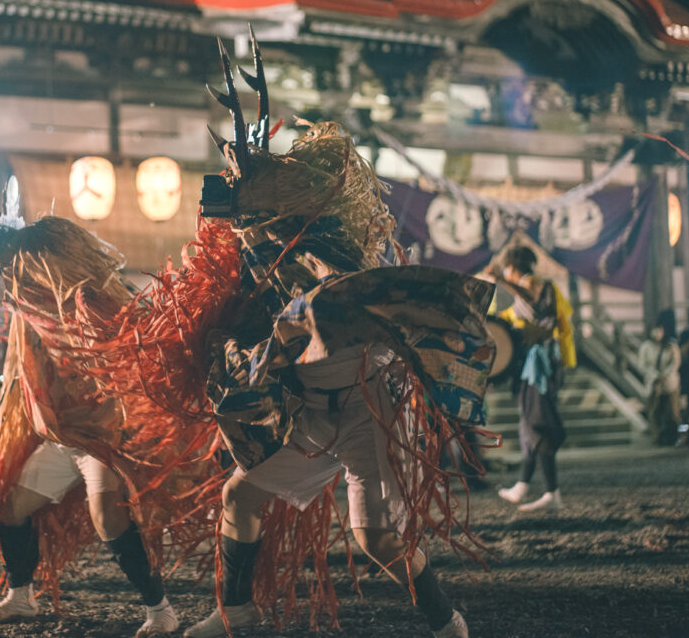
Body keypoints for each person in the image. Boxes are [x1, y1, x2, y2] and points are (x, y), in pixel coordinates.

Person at [180, 37, 493, 638]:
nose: (236, 221)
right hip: (307, 416)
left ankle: (446, 621)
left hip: (366, 407)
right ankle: (237, 615)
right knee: (239, 498)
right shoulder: (253, 265)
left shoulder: (335, 250)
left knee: (376, 539)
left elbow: (349, 302)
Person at [0, 216, 180, 637]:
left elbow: (51, 318)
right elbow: (21, 305)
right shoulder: (33, 302)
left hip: (102, 438)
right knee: (11, 507)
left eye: (24, 265)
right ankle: (21, 597)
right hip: (63, 439)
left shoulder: (94, 301)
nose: (21, 274)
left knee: (107, 518)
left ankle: (160, 609)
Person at [493, 245, 574, 512]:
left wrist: (501, 281)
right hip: (535, 365)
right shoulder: (530, 287)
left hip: (538, 366)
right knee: (527, 424)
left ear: (513, 267)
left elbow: (534, 311)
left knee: (537, 423)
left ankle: (552, 492)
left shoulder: (535, 285)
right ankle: (523, 485)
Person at [639, 310, 682, 446]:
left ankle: (674, 437)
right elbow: (642, 365)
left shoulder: (671, 346)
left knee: (673, 412)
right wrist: (656, 376)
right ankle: (657, 438)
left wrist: (665, 375)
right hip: (654, 383)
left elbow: (675, 363)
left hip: (670, 383)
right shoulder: (646, 347)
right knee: (654, 412)